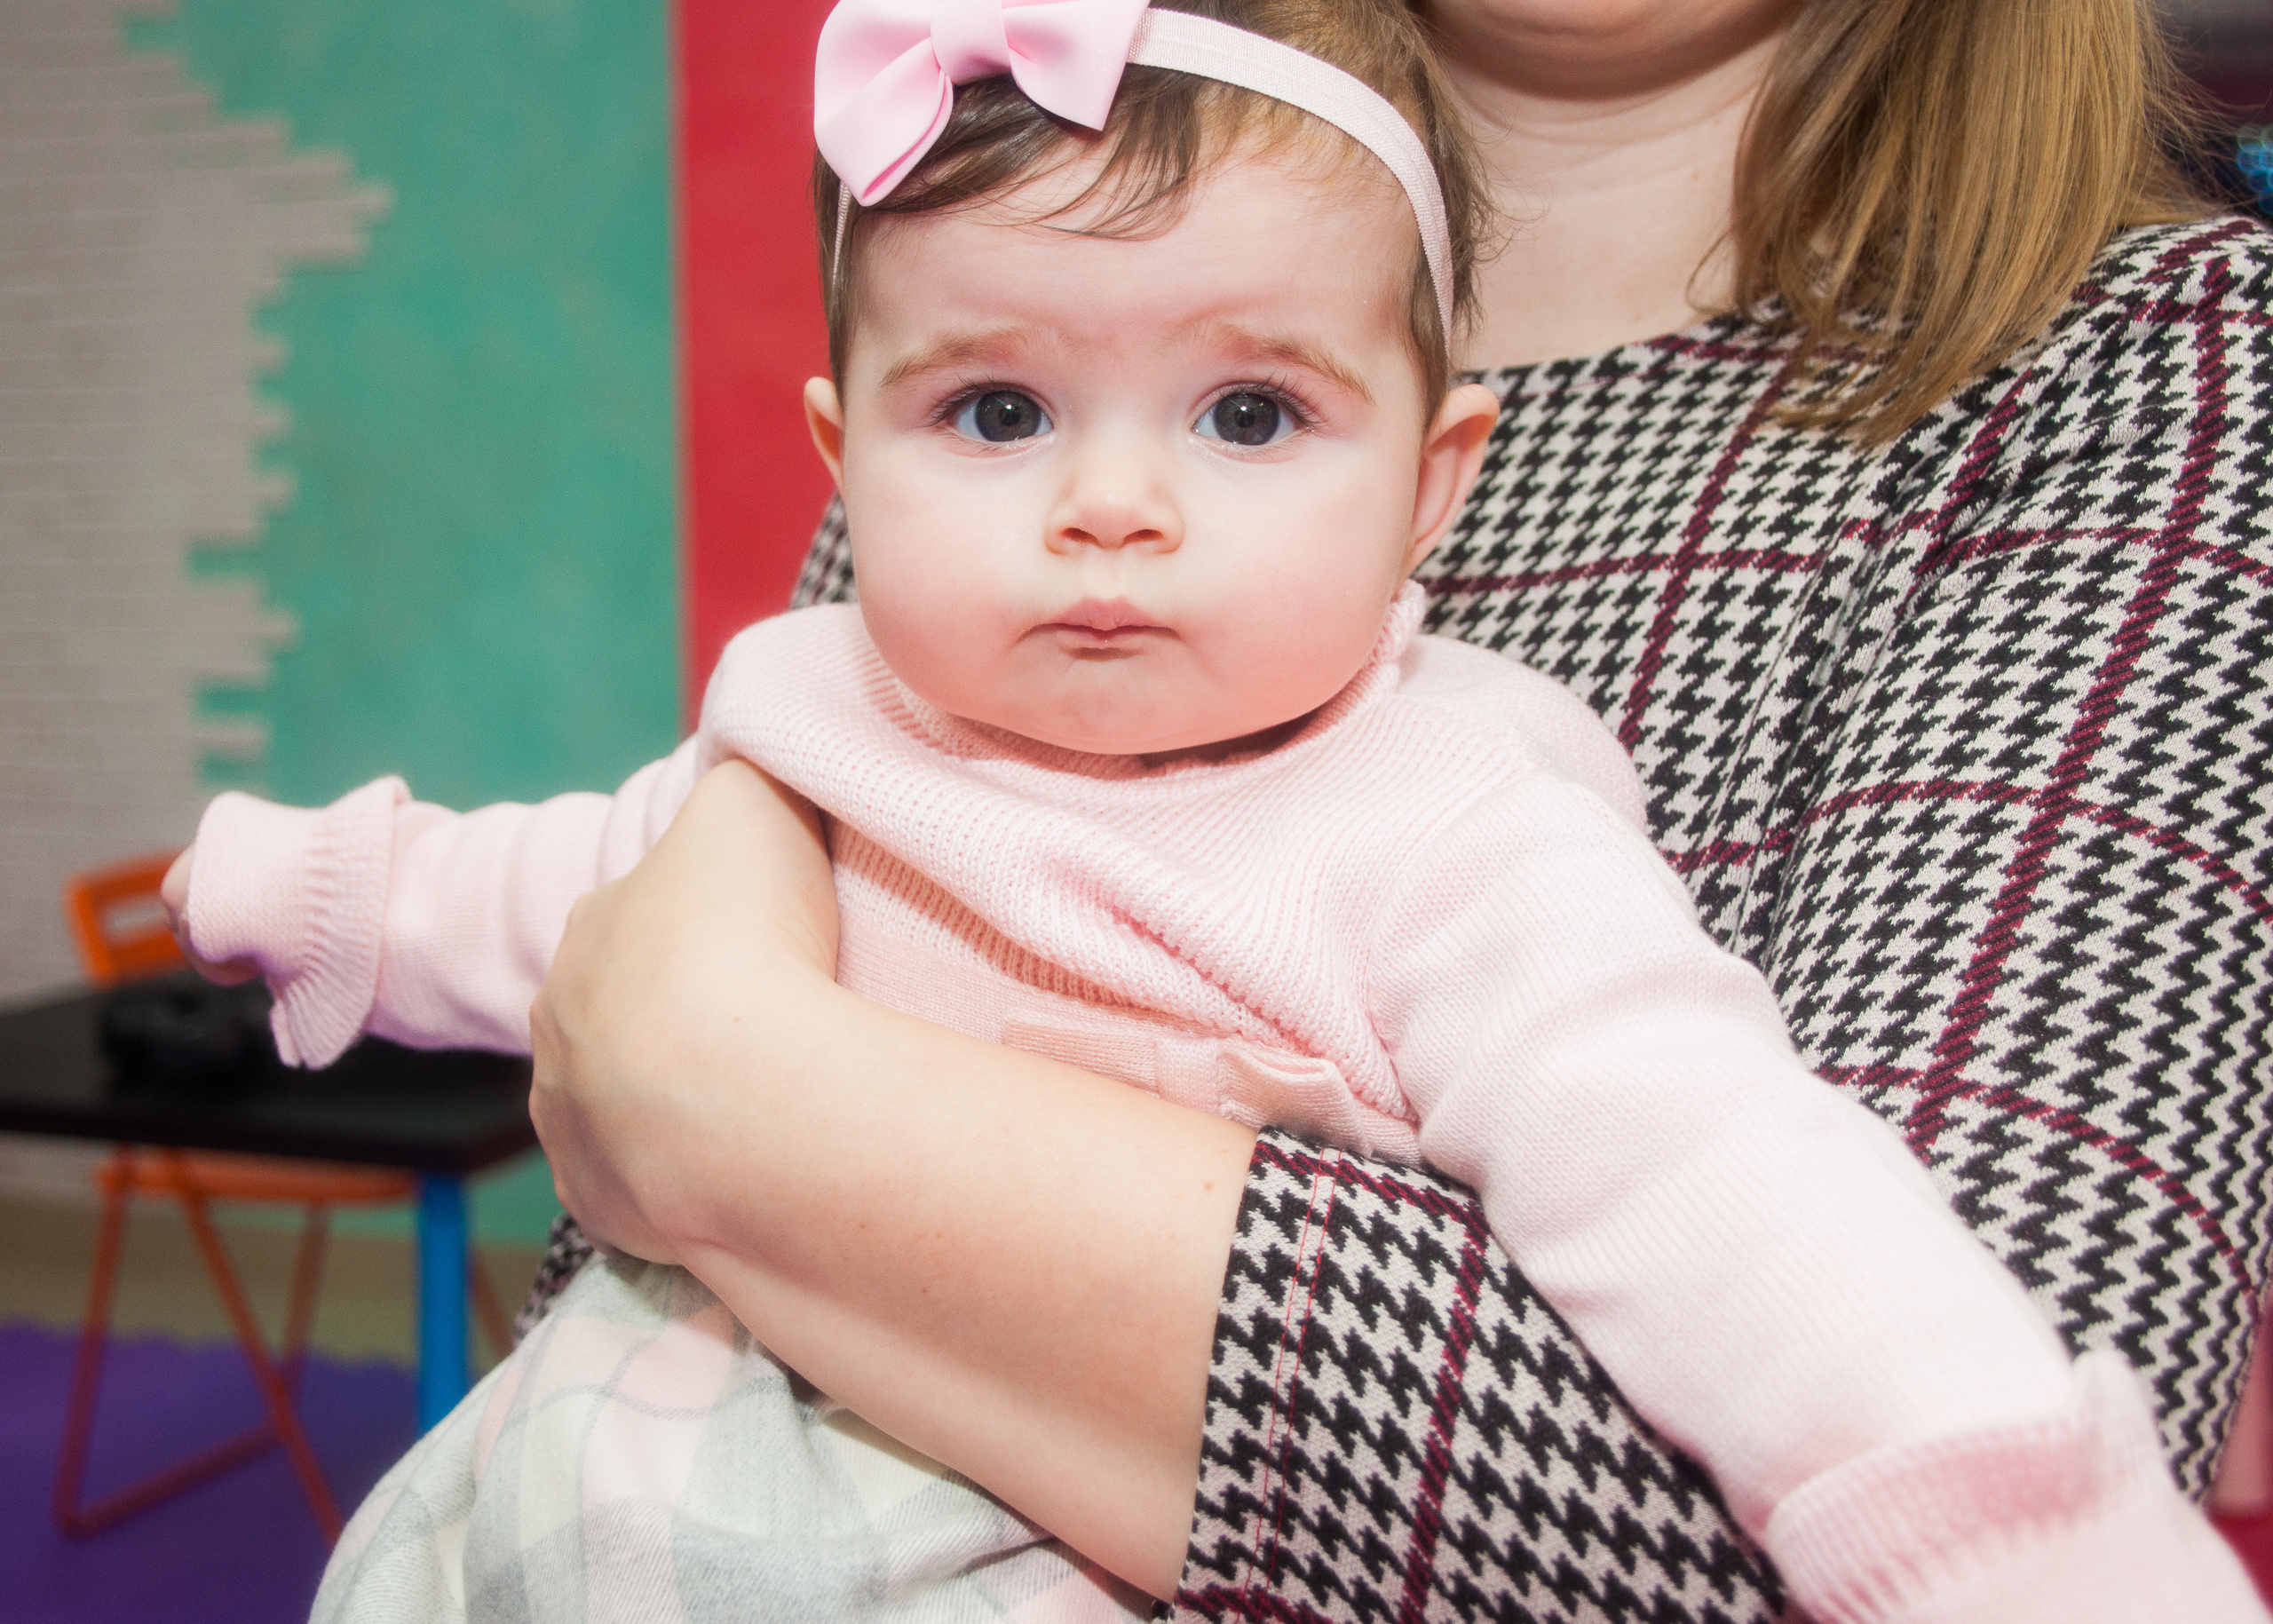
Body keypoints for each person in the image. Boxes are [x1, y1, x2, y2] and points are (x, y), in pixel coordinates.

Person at [162, 1, 2261, 1620]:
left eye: (1252, 414)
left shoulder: (1442, 804)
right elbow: (600, 878)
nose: (1105, 502)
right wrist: (339, 892)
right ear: (850, 445)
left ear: (1436, 480)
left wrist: (2008, 1531)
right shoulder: (928, 589)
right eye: (992, 412)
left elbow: (1729, 1215)